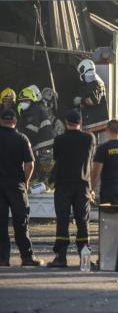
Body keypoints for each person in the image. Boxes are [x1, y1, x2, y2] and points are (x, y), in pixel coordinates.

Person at [49, 108, 95, 268]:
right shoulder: (89, 139)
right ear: (80, 122)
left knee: (62, 220)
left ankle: (61, 257)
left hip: (63, 185)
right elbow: (91, 160)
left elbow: (57, 159)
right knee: (83, 221)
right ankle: (85, 258)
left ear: (66, 123)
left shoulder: (59, 140)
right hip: (82, 186)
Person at [0, 107, 42, 266]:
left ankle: (2, 259)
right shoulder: (22, 138)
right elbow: (30, 165)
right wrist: (25, 182)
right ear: (15, 122)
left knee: (0, 223)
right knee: (21, 222)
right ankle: (27, 257)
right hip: (16, 185)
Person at [17, 87, 53, 153]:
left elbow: (31, 131)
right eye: (22, 101)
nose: (23, 103)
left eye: (26, 100)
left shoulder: (34, 111)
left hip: (42, 149)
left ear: (31, 100)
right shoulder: (32, 110)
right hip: (43, 147)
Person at [77, 59, 108, 126]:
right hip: (99, 120)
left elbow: (94, 100)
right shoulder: (98, 80)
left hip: (93, 122)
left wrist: (81, 100)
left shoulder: (91, 82)